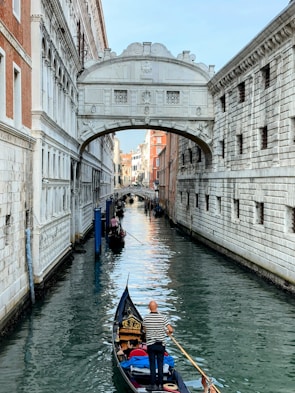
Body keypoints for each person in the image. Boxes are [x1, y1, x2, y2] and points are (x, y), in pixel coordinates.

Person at [142, 300, 173, 391]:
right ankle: (160, 384)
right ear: (157, 306)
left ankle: (153, 384)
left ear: (149, 308)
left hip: (151, 345)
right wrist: (168, 332)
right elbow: (171, 329)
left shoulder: (146, 318)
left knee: (152, 365)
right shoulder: (163, 317)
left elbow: (144, 330)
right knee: (160, 364)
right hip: (161, 345)